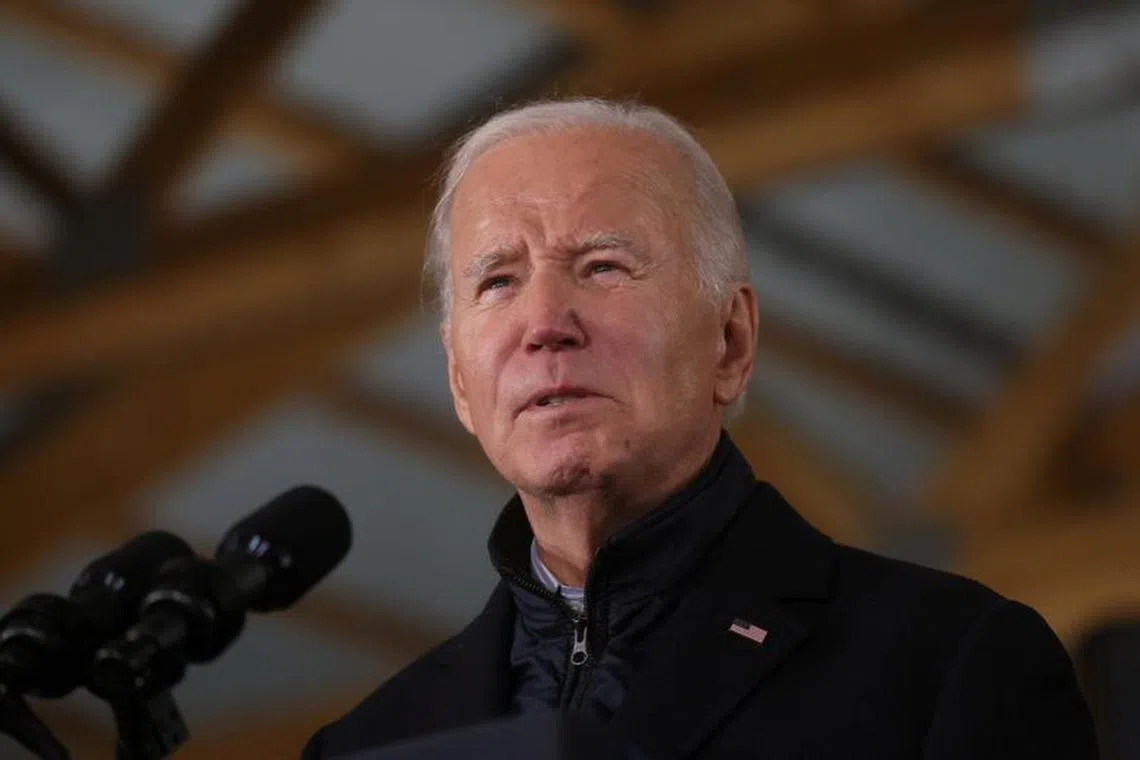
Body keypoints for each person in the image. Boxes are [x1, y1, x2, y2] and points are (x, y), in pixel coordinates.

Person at [302, 98, 1098, 759]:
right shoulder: (368, 744)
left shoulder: (946, 665)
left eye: (603, 266)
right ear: (458, 383)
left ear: (731, 341)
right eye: (499, 280)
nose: (544, 322)